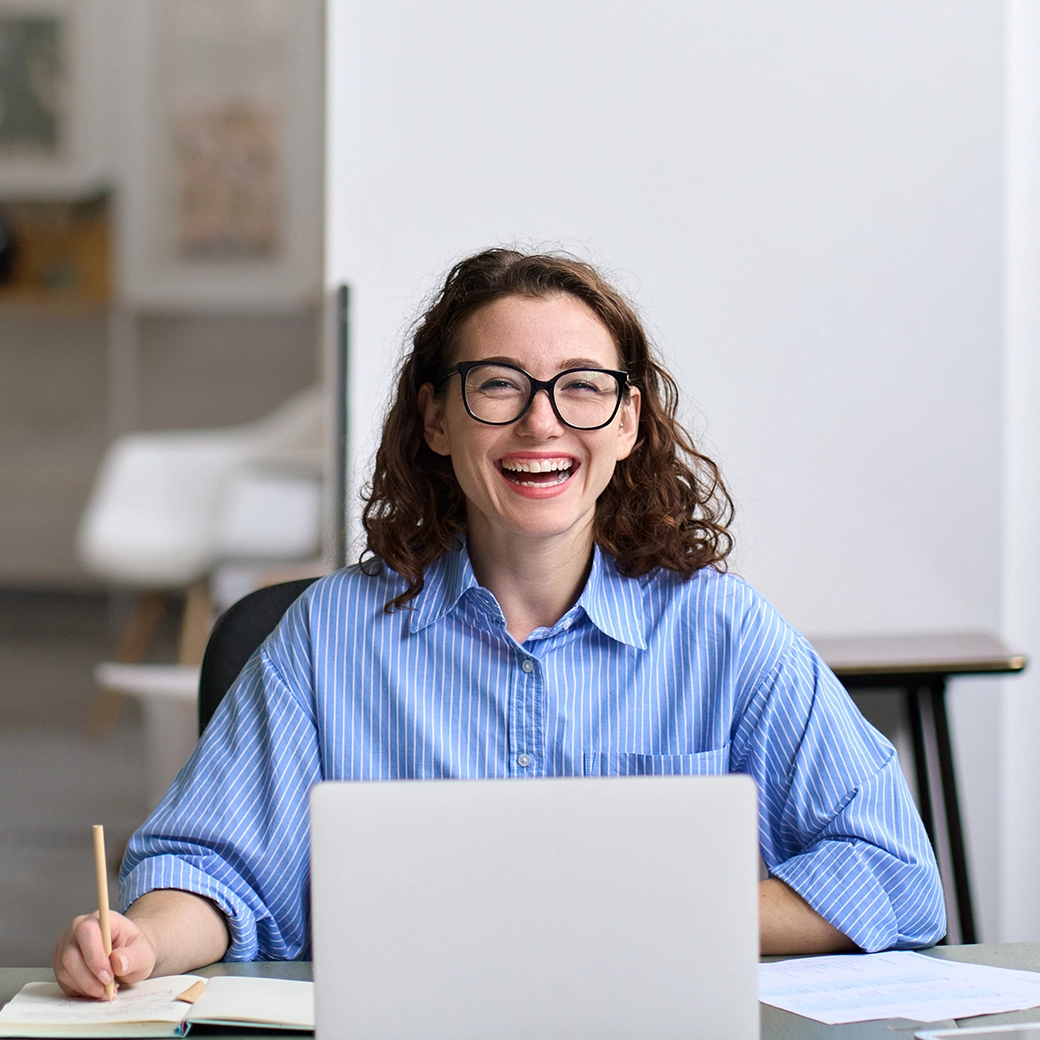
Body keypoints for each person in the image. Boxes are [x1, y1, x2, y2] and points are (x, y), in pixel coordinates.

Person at [53, 248, 945, 998]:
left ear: (627, 421)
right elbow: (211, 873)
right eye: (498, 387)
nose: (541, 422)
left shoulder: (724, 633)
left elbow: (895, 875)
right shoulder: (327, 639)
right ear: (437, 417)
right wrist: (137, 943)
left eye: (582, 388)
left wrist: (643, 916)